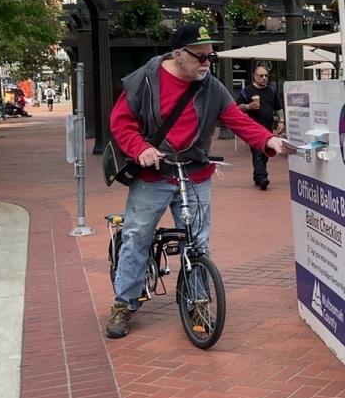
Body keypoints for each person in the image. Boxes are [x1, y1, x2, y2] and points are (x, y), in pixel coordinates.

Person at [106, 24, 296, 339]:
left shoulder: (210, 86)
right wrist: (141, 149)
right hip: (154, 173)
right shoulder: (146, 80)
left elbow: (237, 119)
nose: (207, 63)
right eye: (201, 56)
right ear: (179, 54)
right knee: (137, 236)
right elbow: (121, 122)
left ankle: (195, 301)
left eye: (211, 56)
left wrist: (268, 141)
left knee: (197, 242)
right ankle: (124, 303)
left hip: (194, 172)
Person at [236, 65, 284, 190]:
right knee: (257, 152)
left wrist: (282, 121)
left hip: (267, 128)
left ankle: (257, 176)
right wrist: (248, 107)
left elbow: (278, 108)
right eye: (261, 76)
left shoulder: (271, 91)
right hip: (253, 128)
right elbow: (237, 107)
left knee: (264, 155)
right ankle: (263, 178)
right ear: (254, 77)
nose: (264, 78)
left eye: (266, 76)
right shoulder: (247, 91)